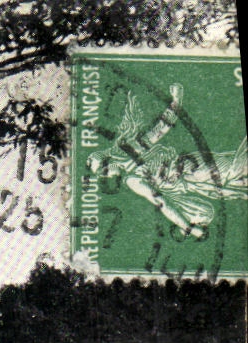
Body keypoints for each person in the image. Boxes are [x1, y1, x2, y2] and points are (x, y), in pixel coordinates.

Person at [87, 85, 248, 238]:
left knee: (236, 169)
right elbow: (161, 202)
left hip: (193, 167)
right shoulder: (132, 180)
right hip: (193, 184)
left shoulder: (132, 151)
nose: (107, 176)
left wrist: (177, 102)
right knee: (238, 185)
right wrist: (188, 227)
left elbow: (161, 128)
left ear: (108, 160)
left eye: (103, 170)